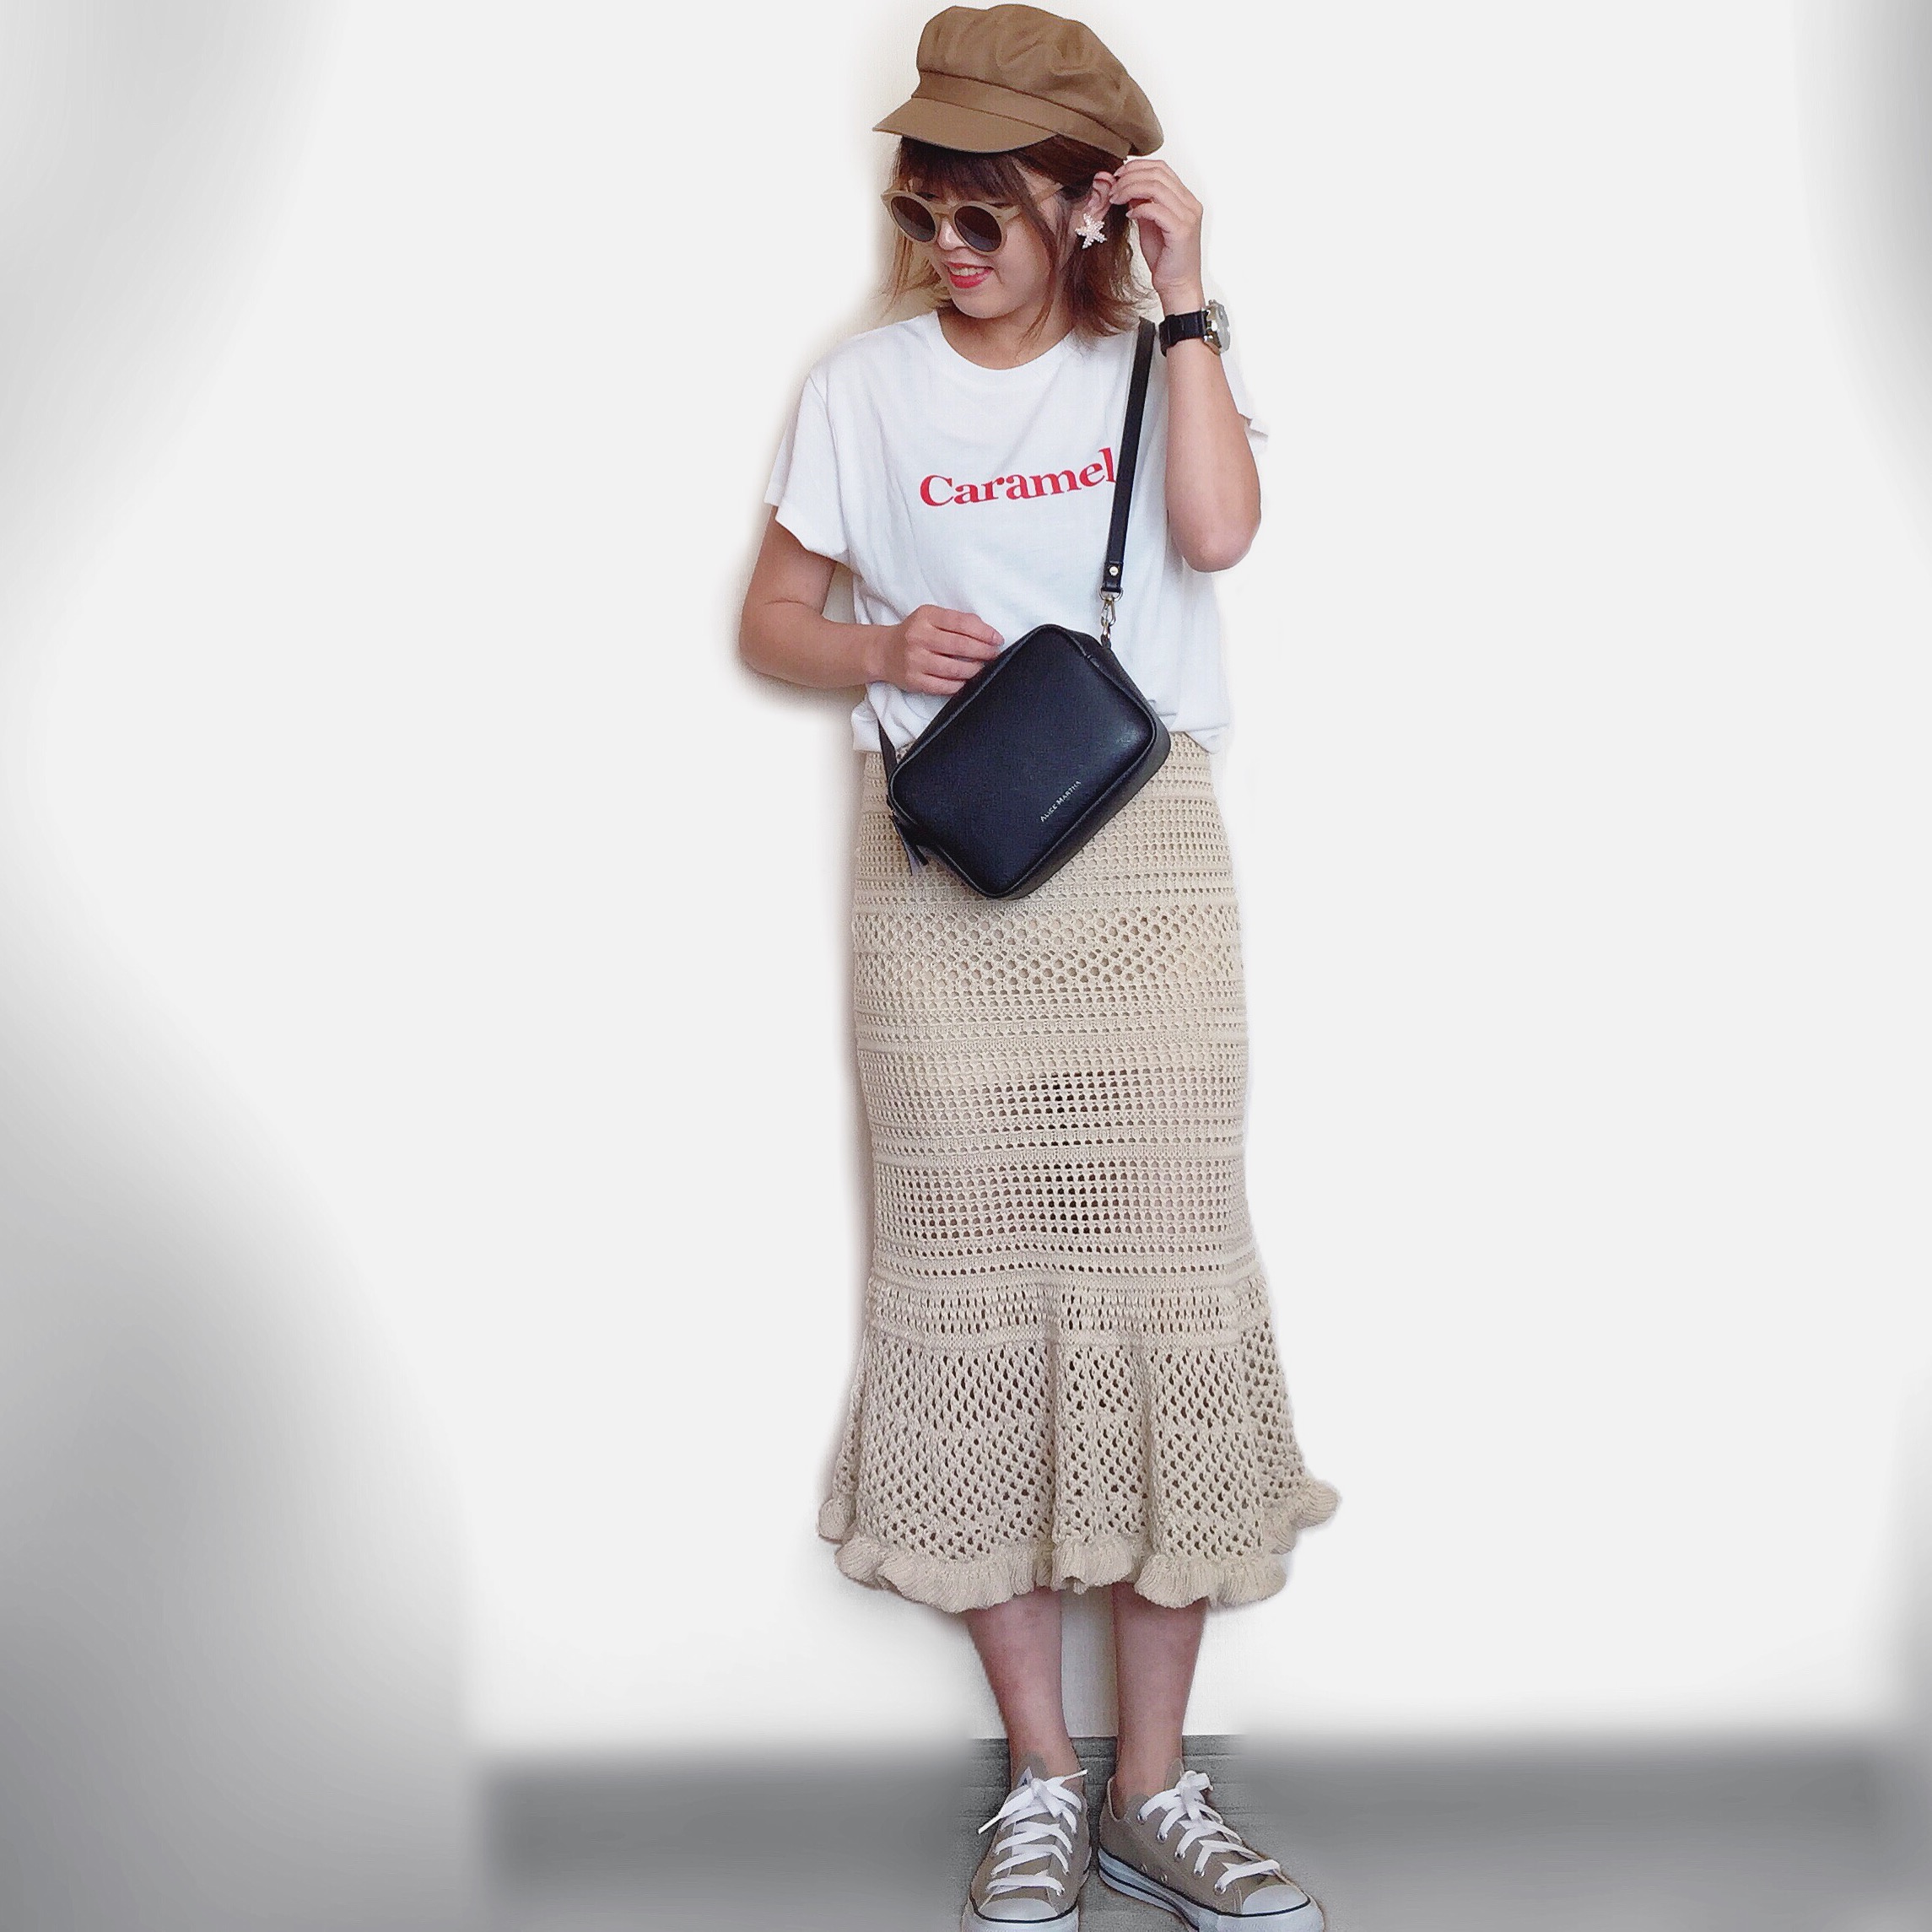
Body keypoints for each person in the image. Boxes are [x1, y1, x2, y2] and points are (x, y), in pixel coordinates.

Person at [737, 7, 1339, 1927]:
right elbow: (769, 616)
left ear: (1082, 204)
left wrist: (1186, 292)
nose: (946, 244)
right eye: (920, 208)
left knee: (1166, 1285)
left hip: (1145, 875)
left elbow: (1218, 534)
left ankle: (1156, 1786)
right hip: (939, 879)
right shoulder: (860, 388)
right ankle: (1043, 1777)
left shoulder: (1152, 362)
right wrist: (875, 648)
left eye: (982, 210)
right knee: (966, 1287)